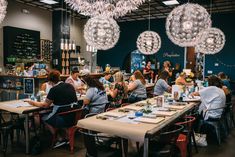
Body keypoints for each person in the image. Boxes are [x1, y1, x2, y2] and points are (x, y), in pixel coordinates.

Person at [25, 70, 78, 146]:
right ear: (59, 78)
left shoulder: (54, 89)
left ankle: (57, 137)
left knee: (43, 117)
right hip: (73, 116)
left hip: (63, 118)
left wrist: (32, 102)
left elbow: (45, 105)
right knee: (50, 114)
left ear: (50, 81)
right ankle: (62, 134)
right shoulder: (70, 86)